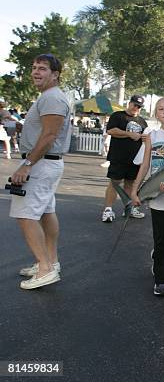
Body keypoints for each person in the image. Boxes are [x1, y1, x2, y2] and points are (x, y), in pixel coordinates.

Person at [10, 53, 71, 290]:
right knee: (46, 212)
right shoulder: (49, 97)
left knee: (26, 215)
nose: (36, 72)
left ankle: (45, 269)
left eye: (42, 68)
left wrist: (27, 165)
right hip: (46, 163)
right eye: (34, 67)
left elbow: (49, 135)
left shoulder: (52, 98)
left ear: (55, 75)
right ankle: (49, 262)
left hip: (41, 163)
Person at [130, 97, 164, 296]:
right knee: (161, 239)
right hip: (156, 195)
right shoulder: (151, 135)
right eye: (161, 109)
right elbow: (145, 165)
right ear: (156, 114)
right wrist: (135, 189)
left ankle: (157, 256)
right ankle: (161, 281)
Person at [101, 95, 148, 222]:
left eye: (139, 107)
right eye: (135, 105)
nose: (136, 108)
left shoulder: (142, 122)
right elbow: (111, 130)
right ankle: (108, 210)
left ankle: (129, 209)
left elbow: (145, 137)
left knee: (130, 184)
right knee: (114, 183)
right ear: (129, 103)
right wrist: (129, 134)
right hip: (118, 157)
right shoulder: (118, 116)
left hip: (135, 160)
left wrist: (144, 138)